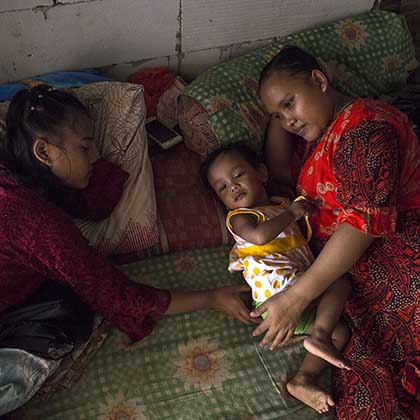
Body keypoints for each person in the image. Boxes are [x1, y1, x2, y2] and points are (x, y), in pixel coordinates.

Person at [0, 85, 256, 350]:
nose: (96, 157)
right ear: (43, 152)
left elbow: (94, 205)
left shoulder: (24, 178)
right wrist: (211, 298)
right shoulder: (35, 223)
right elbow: (115, 294)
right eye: (85, 148)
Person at [257, 46, 420, 419]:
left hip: (400, 251)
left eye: (290, 103)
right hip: (350, 273)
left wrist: (296, 298)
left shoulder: (365, 128)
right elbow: (278, 172)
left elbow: (363, 222)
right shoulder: (323, 136)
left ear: (319, 79)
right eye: (277, 115)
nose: (287, 121)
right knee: (367, 381)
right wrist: (282, 111)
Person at [202, 144, 351, 413]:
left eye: (237, 176)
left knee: (340, 330)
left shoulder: (280, 203)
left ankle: (303, 379)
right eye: (222, 188)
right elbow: (260, 236)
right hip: (278, 293)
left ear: (261, 173)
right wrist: (293, 213)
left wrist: (299, 209)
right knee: (340, 283)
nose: (233, 187)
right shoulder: (240, 218)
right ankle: (319, 333)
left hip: (298, 283)